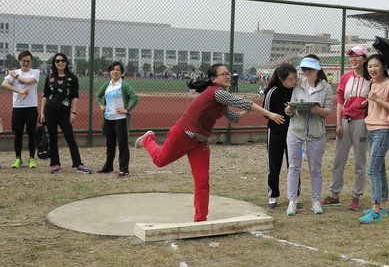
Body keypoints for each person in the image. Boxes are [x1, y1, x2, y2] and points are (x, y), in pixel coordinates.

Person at [134, 63, 285, 222]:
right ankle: (148, 139)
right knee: (159, 160)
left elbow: (234, 117)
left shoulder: (221, 98)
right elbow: (244, 103)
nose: (228, 76)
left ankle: (200, 219)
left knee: (202, 182)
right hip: (183, 134)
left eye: (228, 73)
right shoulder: (216, 92)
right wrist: (269, 113)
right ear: (213, 79)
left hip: (200, 142)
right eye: (223, 74)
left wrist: (256, 109)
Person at [321, 45, 370, 210]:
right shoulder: (345, 77)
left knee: (359, 161)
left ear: (364, 59)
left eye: (357, 56)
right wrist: (338, 123)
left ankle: (356, 195)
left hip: (361, 122)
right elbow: (340, 101)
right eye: (351, 56)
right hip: (344, 121)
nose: (353, 59)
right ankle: (334, 194)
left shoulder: (371, 79)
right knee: (338, 160)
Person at [285, 55, 333, 216]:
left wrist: (319, 111)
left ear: (317, 70)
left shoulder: (326, 88)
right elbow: (290, 106)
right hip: (296, 133)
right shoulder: (298, 86)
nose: (306, 72)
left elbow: (328, 110)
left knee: (315, 169)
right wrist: (289, 110)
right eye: (304, 69)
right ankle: (292, 201)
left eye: (309, 69)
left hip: (316, 135)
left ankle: (316, 201)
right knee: (294, 167)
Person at [359, 54, 389, 224]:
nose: (372, 69)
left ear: (384, 66)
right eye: (370, 66)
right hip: (371, 130)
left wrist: (377, 99)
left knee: (373, 170)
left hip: (383, 132)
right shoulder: (373, 83)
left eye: (376, 65)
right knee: (380, 169)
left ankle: (376, 209)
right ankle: (382, 205)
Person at [39, 53, 92, 174]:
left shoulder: (72, 78)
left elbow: (75, 96)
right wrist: (42, 112)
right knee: (53, 139)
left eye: (63, 60)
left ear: (66, 62)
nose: (60, 63)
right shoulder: (50, 76)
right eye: (57, 61)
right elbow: (45, 95)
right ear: (54, 63)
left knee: (70, 138)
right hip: (50, 112)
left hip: (64, 113)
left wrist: (73, 112)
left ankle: (78, 164)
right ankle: (55, 164)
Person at [263, 63, 299, 208]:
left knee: (294, 164)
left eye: (295, 78)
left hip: (295, 132)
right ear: (281, 79)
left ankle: (294, 196)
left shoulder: (298, 90)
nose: (294, 81)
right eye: (290, 79)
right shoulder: (273, 92)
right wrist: (273, 117)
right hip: (276, 132)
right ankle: (273, 195)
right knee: (274, 164)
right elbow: (266, 112)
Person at [95, 61, 139, 178]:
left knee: (122, 145)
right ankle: (108, 167)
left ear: (121, 72)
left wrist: (127, 109)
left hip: (121, 119)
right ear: (109, 71)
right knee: (110, 144)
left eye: (118, 70)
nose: (115, 71)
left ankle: (124, 170)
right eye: (113, 69)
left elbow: (135, 97)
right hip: (108, 118)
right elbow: (98, 96)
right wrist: (101, 105)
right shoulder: (106, 85)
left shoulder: (124, 85)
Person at [2, 51, 40, 168]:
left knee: (31, 133)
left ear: (31, 62)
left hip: (31, 107)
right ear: (20, 61)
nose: (26, 63)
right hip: (18, 107)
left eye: (28, 61)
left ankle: (32, 159)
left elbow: (29, 81)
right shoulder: (15, 72)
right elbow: (4, 84)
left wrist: (16, 76)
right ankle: (18, 158)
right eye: (24, 61)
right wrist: (19, 91)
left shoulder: (35, 72)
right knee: (18, 134)